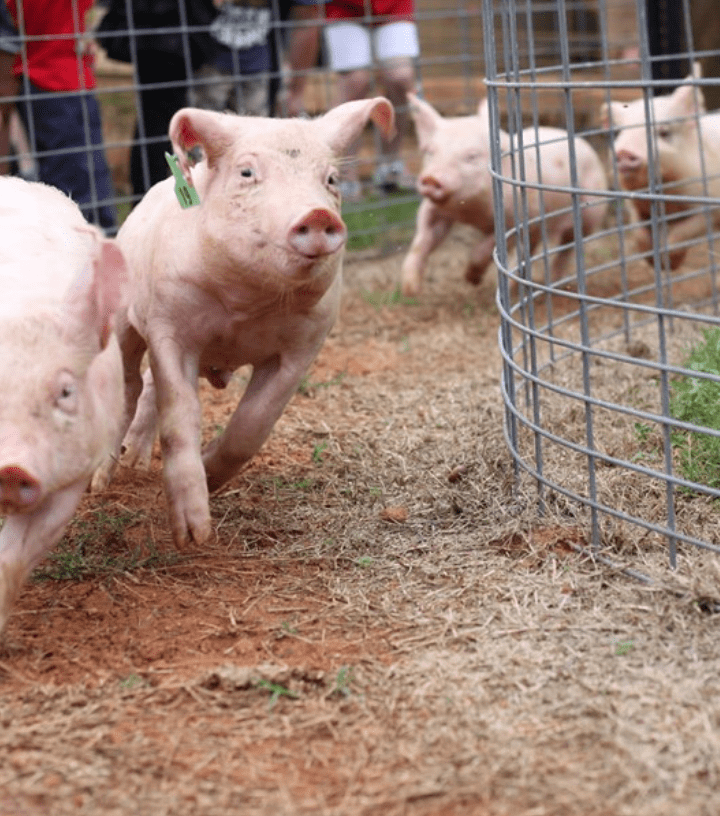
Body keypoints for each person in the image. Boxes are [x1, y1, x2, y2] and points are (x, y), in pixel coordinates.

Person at [5, 0, 117, 229]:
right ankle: (84, 236)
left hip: (58, 75)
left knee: (81, 171)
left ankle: (94, 233)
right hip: (55, 78)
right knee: (73, 175)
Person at [97, 0, 219, 200]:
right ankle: (176, 199)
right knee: (164, 131)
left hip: (165, 43)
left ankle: (161, 199)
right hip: (166, 46)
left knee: (157, 129)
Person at [322, 0, 420, 199]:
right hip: (344, 8)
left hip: (394, 5)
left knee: (401, 76)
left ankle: (390, 164)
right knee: (356, 81)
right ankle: (345, 172)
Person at [191, 0, 322, 119]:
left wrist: (296, 90)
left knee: (254, 123)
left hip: (259, 66)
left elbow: (307, 17)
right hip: (210, 62)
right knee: (206, 119)